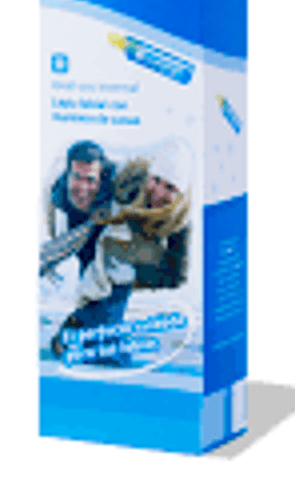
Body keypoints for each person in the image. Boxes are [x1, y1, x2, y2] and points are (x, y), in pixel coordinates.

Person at [50, 139, 192, 362]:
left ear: (180, 194)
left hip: (133, 256)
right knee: (97, 291)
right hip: (99, 233)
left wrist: (133, 273)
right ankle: (80, 334)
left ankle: (82, 335)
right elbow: (99, 176)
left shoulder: (180, 220)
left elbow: (175, 274)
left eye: (170, 187)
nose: (158, 192)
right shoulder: (129, 180)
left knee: (112, 298)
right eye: (156, 180)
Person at [40, 141, 115, 279]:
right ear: (68, 175)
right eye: (77, 177)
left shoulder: (114, 199)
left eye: (90, 180)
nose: (83, 187)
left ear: (100, 179)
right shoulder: (55, 201)